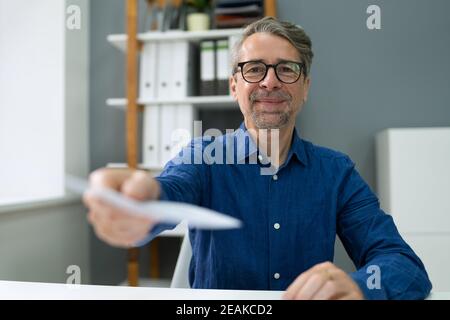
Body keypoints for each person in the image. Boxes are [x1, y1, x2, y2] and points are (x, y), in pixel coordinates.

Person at [84, 17, 432, 300]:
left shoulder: (336, 172)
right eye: (254, 69)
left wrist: (359, 287)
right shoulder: (202, 158)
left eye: (287, 69)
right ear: (234, 85)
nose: (269, 82)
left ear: (305, 87)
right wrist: (140, 202)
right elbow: (167, 191)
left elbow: (403, 265)